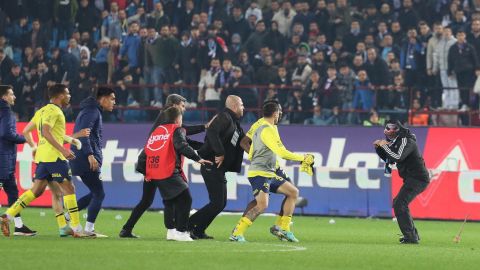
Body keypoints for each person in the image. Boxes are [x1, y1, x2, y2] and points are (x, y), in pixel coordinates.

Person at [1, 84, 90, 238]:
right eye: (67, 93)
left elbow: (26, 131)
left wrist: (35, 147)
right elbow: (46, 132)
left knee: (37, 191)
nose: (69, 96)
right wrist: (63, 150)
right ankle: (77, 228)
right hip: (54, 157)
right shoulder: (55, 111)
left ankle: (7, 216)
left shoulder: (41, 111)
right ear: (60, 96)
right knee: (69, 189)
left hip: (42, 158)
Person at [119, 94, 207, 238]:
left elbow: (181, 135)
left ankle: (129, 229)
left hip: (151, 162)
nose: (184, 110)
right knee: (175, 198)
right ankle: (177, 231)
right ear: (173, 105)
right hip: (159, 163)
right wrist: (204, 127)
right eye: (182, 106)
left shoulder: (164, 119)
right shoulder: (168, 121)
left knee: (151, 200)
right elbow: (182, 133)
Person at [230, 102, 314, 242]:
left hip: (270, 171)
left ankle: (284, 228)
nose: (280, 115)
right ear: (275, 113)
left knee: (293, 192)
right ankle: (237, 233)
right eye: (279, 112)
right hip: (260, 172)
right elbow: (281, 152)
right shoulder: (266, 129)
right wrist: (303, 158)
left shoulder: (269, 127)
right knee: (262, 205)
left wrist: (254, 154)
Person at [136, 106, 212, 241]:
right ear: (178, 118)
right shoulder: (176, 129)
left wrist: (146, 172)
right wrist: (198, 158)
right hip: (168, 170)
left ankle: (171, 232)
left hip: (155, 172)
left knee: (170, 202)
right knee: (186, 199)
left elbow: (145, 153)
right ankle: (181, 232)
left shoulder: (157, 131)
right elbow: (182, 146)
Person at [188, 95, 246, 239]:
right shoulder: (224, 117)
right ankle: (186, 225)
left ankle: (198, 230)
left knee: (220, 203)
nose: (243, 108)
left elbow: (244, 141)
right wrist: (220, 153)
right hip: (210, 165)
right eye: (241, 105)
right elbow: (212, 131)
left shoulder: (235, 123)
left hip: (218, 168)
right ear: (234, 106)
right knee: (217, 203)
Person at [373, 121, 430, 244]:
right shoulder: (398, 142)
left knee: (399, 203)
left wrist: (384, 146)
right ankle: (412, 235)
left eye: (391, 128)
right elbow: (390, 159)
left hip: (418, 179)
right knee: (399, 203)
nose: (389, 132)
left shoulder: (407, 141)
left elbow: (398, 157)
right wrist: (379, 148)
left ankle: (411, 237)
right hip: (412, 179)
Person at [70, 87, 116, 237]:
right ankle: (89, 229)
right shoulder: (92, 111)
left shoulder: (91, 110)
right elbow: (84, 135)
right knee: (99, 193)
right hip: (85, 158)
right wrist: (90, 155)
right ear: (102, 98)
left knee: (94, 192)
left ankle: (69, 216)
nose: (114, 102)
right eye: (112, 98)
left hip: (82, 157)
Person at [0, 85, 36, 236]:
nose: (14, 97)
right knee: (11, 191)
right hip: (3, 158)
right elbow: (7, 133)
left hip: (5, 158)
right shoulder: (6, 111)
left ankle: (19, 226)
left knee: (13, 192)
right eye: (11, 94)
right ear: (4, 97)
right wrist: (25, 139)